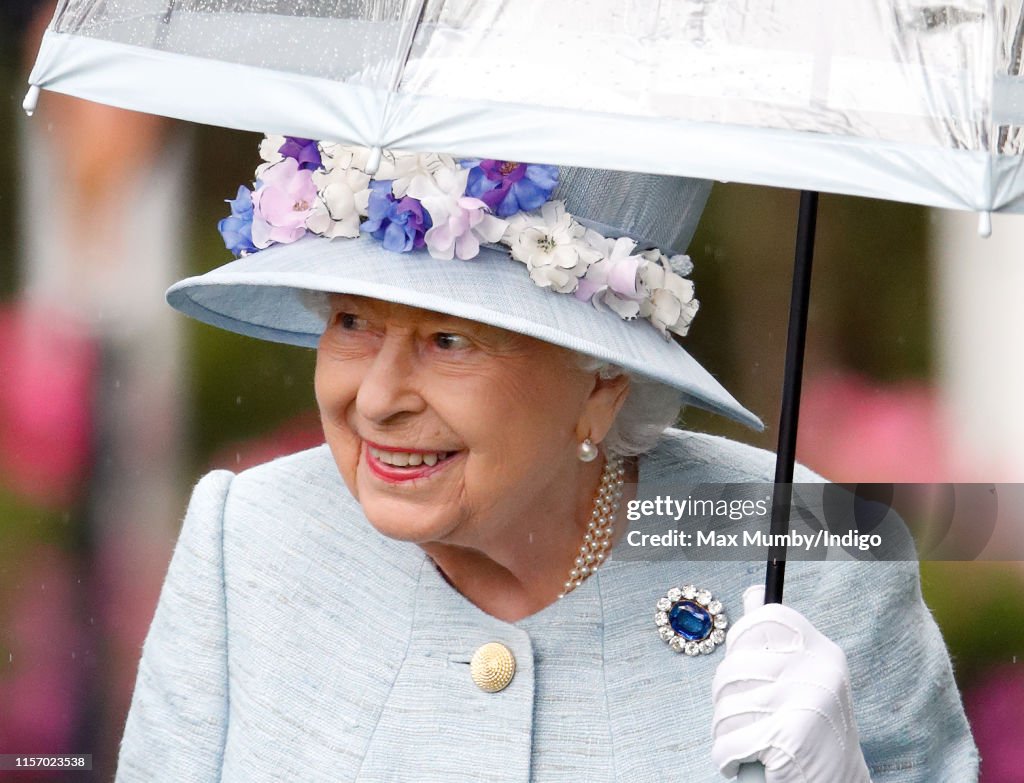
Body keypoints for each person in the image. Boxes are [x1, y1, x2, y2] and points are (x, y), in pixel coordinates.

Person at [116, 138, 978, 782]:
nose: (375, 398)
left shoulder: (812, 547)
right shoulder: (248, 538)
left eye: (448, 339)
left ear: (604, 383)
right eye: (351, 321)